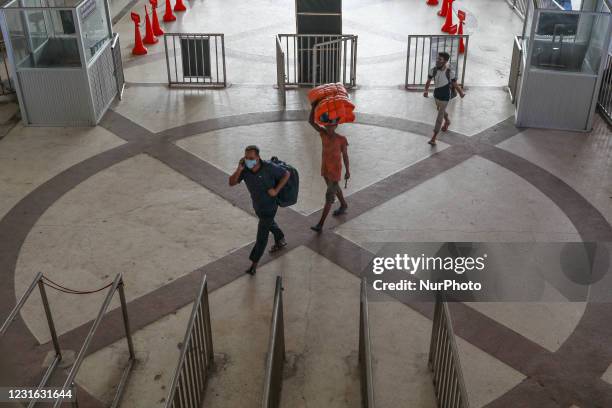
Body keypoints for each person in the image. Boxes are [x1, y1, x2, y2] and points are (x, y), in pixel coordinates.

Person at [229, 145, 290, 275]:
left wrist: (276, 191)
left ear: (258, 158)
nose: (248, 160)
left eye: (251, 158)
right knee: (268, 223)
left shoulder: (269, 167)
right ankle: (280, 238)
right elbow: (231, 182)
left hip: (270, 206)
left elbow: (286, 174)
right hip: (258, 206)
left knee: (262, 236)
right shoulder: (245, 169)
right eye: (246, 158)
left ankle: (254, 264)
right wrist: (239, 170)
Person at [308, 102, 350, 233]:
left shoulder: (341, 139)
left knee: (329, 197)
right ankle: (343, 204)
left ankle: (320, 224)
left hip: (335, 172)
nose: (329, 128)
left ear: (336, 125)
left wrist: (348, 170)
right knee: (335, 189)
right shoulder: (323, 134)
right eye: (327, 126)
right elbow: (311, 122)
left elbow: (345, 156)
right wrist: (313, 107)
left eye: (332, 126)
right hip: (325, 169)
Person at [423, 52, 466, 146]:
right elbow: (428, 81)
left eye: (440, 59)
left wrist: (461, 93)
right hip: (436, 95)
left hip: (445, 96)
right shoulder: (433, 70)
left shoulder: (450, 72)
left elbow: (455, 84)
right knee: (440, 110)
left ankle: (434, 137)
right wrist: (426, 90)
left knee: (439, 116)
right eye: (437, 59)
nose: (437, 61)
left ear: (445, 61)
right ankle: (447, 120)